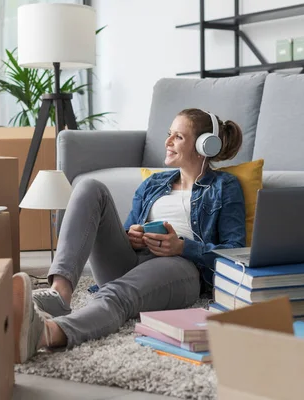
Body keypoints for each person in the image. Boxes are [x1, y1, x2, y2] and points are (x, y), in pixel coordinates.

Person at [12, 108, 246, 363]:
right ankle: (60, 293)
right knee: (90, 187)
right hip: (133, 260)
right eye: (169, 134)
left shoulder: (224, 187)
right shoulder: (152, 184)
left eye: (178, 137)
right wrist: (130, 235)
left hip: (182, 267)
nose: (167, 142)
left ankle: (47, 334)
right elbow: (127, 230)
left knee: (117, 293)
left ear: (204, 145)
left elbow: (235, 252)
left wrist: (182, 248)